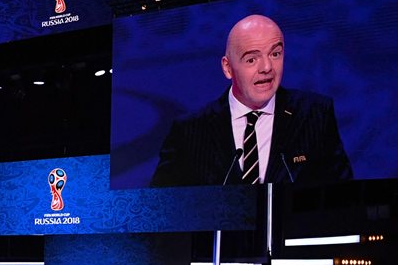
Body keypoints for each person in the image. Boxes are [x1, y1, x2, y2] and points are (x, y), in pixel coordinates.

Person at [151, 14, 352, 187]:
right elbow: (160, 208)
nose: (267, 67)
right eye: (251, 59)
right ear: (228, 68)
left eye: (275, 54)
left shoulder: (315, 114)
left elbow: (343, 196)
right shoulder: (190, 130)